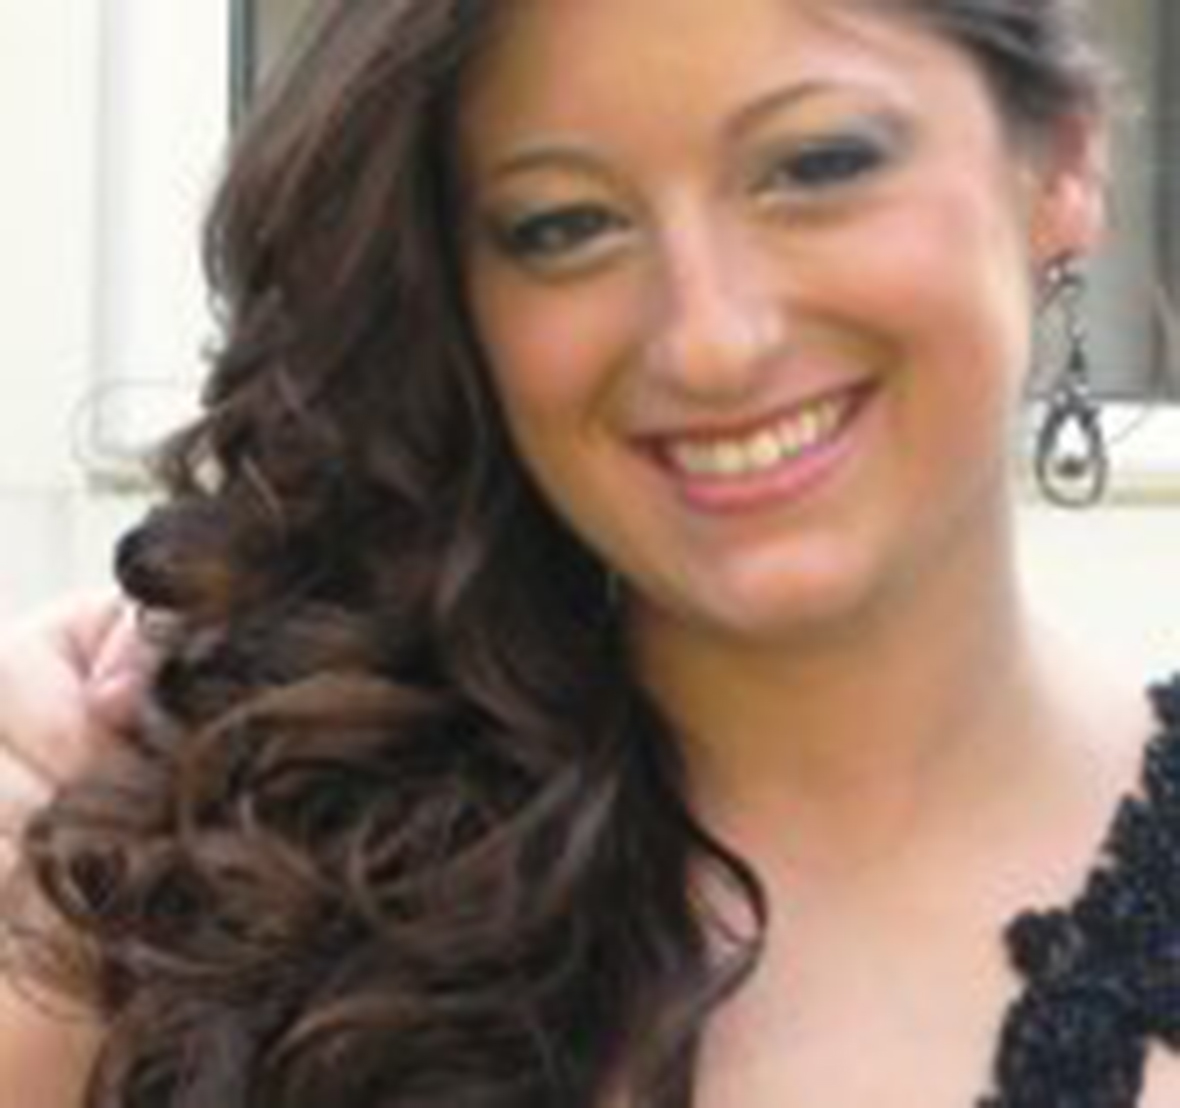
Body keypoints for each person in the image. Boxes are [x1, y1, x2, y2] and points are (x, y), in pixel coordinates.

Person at [2, 0, 1178, 1104]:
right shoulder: (176, 905)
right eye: (563, 226)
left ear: (1063, 168)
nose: (710, 342)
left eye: (816, 166)